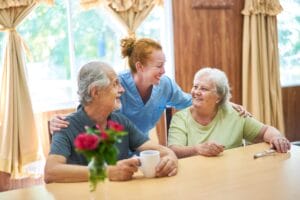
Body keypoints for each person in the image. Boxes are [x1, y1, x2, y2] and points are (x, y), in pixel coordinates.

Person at [50, 37, 250, 137]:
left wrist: (226, 103)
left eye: (164, 65)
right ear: (140, 67)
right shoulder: (117, 85)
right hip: (113, 151)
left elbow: (195, 99)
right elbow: (89, 108)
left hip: (142, 148)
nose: (164, 71)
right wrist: (59, 122)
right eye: (159, 66)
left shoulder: (165, 85)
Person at [44, 61, 178, 183]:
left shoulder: (121, 121)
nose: (122, 89)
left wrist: (171, 159)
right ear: (95, 92)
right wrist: (108, 171)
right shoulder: (65, 125)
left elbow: (161, 151)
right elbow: (51, 172)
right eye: (115, 84)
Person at [168, 67, 291, 158]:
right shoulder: (180, 118)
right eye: (195, 86)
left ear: (218, 97)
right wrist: (197, 149)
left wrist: (277, 137)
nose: (196, 92)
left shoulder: (234, 113)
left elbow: (265, 131)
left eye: (204, 88)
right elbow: (174, 150)